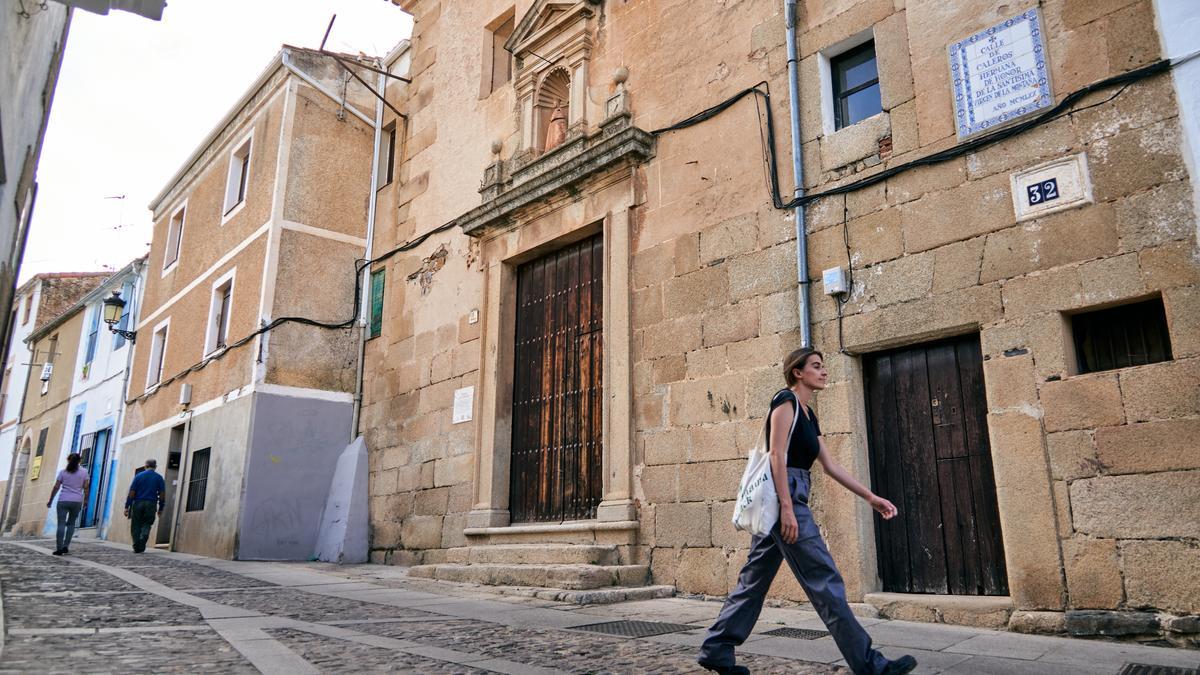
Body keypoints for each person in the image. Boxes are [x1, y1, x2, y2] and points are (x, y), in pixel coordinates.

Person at [699, 348, 917, 675]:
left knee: (754, 580)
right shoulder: (784, 401)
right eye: (816, 366)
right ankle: (870, 665)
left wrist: (871, 497)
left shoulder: (808, 415)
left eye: (823, 366)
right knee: (823, 578)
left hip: (791, 494)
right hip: (783, 496)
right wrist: (787, 508)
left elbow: (829, 465)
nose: (824, 371)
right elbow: (776, 456)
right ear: (797, 372)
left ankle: (717, 648)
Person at [46, 452, 88, 555]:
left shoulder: (63, 472)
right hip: (77, 501)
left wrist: (51, 500)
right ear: (80, 461)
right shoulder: (84, 472)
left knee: (61, 524)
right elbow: (86, 488)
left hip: (63, 500)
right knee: (71, 524)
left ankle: (59, 548)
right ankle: (66, 546)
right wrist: (85, 500)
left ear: (68, 460)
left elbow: (56, 487)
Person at [124, 458, 166, 553]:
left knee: (136, 525)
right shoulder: (159, 478)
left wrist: (127, 506)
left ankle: (136, 546)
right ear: (155, 467)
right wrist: (161, 508)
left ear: (145, 466)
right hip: (151, 504)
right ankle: (144, 535)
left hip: (138, 503)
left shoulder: (138, 476)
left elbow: (132, 492)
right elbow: (162, 494)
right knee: (147, 523)